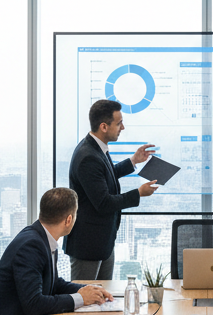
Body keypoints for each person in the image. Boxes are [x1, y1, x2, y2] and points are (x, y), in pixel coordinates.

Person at [0, 188, 112, 315]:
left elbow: (53, 283)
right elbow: (34, 304)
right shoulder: (31, 245)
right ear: (69, 219)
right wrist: (80, 299)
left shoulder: (40, 237)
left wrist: (87, 290)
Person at [65, 99, 157, 280]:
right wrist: (138, 193)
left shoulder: (96, 148)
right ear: (104, 127)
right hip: (89, 245)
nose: (122, 128)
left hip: (102, 241)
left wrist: (133, 161)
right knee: (85, 300)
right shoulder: (88, 156)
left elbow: (104, 176)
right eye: (119, 123)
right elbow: (104, 203)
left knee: (102, 299)